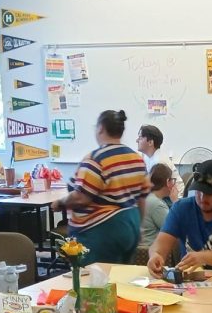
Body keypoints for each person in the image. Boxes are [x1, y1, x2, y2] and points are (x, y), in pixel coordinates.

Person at [52, 109, 149, 264]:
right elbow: (142, 199)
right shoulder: (136, 159)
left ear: (101, 128)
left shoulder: (95, 159)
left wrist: (60, 203)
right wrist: (139, 227)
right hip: (130, 225)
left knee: (96, 281)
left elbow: (81, 198)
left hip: (101, 231)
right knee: (121, 280)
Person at [146, 159, 212, 276]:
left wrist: (203, 257)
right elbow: (160, 244)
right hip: (189, 282)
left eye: (209, 193)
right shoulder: (181, 208)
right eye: (198, 191)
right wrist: (155, 255)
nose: (202, 197)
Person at [137, 124, 182, 197]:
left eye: (140, 138)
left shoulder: (160, 162)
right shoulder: (146, 156)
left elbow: (158, 192)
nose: (137, 140)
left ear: (150, 142)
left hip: (172, 199)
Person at [140, 163, 175, 253]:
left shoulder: (148, 198)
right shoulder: (157, 205)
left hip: (142, 251)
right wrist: (176, 202)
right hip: (151, 252)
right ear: (168, 182)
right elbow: (175, 228)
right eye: (173, 180)